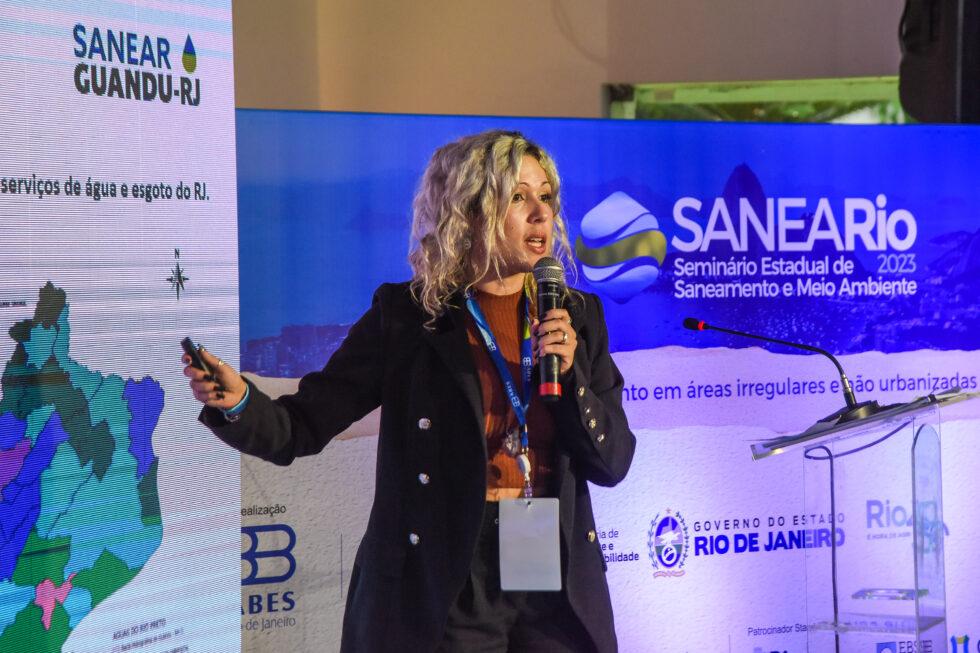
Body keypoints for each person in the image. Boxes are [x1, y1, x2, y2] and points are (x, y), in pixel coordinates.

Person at [184, 130, 636, 652]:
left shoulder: (578, 316)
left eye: (546, 195)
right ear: (470, 211)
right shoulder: (408, 318)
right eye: (518, 197)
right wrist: (240, 403)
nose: (541, 214)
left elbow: (613, 463)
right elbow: (302, 425)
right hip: (448, 572)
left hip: (549, 561)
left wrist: (571, 374)